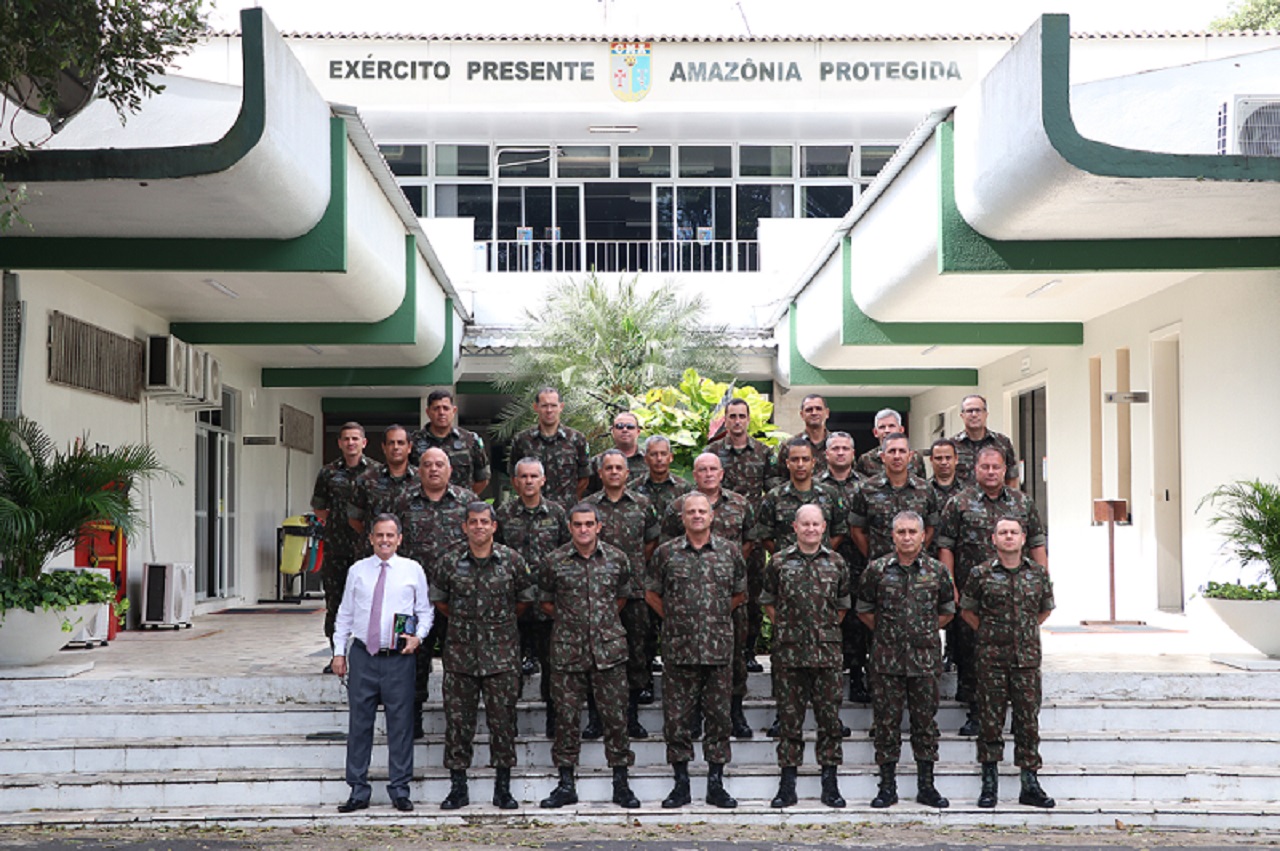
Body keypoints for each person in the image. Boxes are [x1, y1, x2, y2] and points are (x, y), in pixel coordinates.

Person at [937, 445, 1048, 737]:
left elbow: (1037, 542)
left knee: (1017, 657)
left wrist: (1042, 581)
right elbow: (946, 546)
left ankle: (1016, 712)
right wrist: (950, 585)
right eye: (985, 467)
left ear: (1004, 470)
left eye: (995, 467)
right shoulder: (959, 503)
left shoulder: (1022, 503)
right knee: (973, 652)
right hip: (974, 593)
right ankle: (976, 711)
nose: (990, 472)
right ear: (975, 469)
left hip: (1016, 592)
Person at [431, 502, 536, 810]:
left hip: (501, 657)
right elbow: (441, 602)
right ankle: (458, 788)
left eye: (484, 522)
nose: (479, 526)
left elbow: (523, 601)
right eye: (473, 522)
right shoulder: (449, 562)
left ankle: (503, 788)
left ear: (494, 526)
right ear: (464, 527)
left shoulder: (512, 561)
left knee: (503, 724)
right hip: (461, 656)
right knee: (458, 725)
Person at [646, 492, 747, 809]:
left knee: (719, 718)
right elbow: (652, 593)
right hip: (680, 648)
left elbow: (739, 594)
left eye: (703, 511)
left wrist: (714, 618)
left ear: (712, 515)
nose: (697, 516)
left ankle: (716, 784)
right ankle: (681, 784)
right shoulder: (666, 553)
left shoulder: (730, 552)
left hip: (718, 649)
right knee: (676, 720)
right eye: (691, 511)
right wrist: (676, 619)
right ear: (683, 517)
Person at [537, 503, 640, 810]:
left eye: (589, 524)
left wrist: (600, 624)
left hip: (608, 651)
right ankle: (566, 783)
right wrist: (574, 623)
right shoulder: (554, 562)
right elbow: (545, 601)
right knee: (566, 719)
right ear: (570, 527)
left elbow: (621, 597)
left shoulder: (617, 559)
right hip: (568, 651)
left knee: (616, 718)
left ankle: (621, 783)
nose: (584, 529)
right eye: (578, 524)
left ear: (599, 526)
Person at [331, 514, 432, 813]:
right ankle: (358, 790)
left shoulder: (412, 570)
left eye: (390, 535)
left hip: (398, 658)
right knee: (359, 725)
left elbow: (425, 611)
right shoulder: (357, 570)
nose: (384, 540)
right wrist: (339, 652)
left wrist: (418, 637)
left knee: (400, 725)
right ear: (371, 538)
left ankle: (400, 789)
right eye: (379, 535)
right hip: (364, 655)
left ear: (399, 539)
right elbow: (345, 613)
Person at [856, 510, 955, 810]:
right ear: (893, 536)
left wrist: (923, 631)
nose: (907, 537)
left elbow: (947, 609)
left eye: (913, 532)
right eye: (901, 532)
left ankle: (927, 786)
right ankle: (887, 787)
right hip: (887, 660)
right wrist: (889, 633)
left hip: (925, 660)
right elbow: (864, 609)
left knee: (925, 724)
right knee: (886, 724)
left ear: (923, 536)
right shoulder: (877, 570)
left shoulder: (937, 571)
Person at [756, 436, 849, 738]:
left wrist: (820, 553)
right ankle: (783, 720)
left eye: (805, 459)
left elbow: (840, 530)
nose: (799, 464)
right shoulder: (774, 497)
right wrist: (789, 557)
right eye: (794, 459)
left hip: (823, 587)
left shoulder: (829, 495)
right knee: (787, 684)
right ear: (787, 463)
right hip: (789, 586)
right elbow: (765, 535)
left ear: (814, 462)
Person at [960, 517, 1056, 809]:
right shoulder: (980, 574)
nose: (1009, 537)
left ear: (1024, 538)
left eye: (1014, 532)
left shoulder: (1037, 574)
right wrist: (991, 634)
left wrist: (1022, 633)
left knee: (1027, 722)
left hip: (1026, 661)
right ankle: (989, 784)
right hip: (992, 660)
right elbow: (968, 611)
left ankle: (1030, 784)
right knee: (990, 723)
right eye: (1003, 532)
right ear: (994, 539)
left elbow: (1044, 610)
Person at [662, 452, 758, 740]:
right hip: (688, 596)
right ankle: (692, 716)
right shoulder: (678, 506)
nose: (708, 474)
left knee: (733, 657)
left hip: (727, 594)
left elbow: (750, 541)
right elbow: (667, 546)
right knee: (689, 664)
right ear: (694, 474)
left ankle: (735, 711)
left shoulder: (740, 504)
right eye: (702, 469)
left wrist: (724, 572)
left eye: (712, 469)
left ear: (721, 473)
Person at [761, 504, 850, 809]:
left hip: (827, 654)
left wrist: (822, 630)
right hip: (789, 653)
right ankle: (787, 784)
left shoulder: (836, 563)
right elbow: (769, 601)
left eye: (816, 524)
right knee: (789, 721)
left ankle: (830, 782)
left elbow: (842, 606)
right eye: (805, 524)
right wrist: (788, 628)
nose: (811, 529)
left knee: (830, 721)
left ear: (824, 528)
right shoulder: (779, 562)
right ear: (795, 527)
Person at [583, 449, 658, 740]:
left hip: (635, 591)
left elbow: (650, 542)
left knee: (636, 653)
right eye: (609, 468)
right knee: (595, 655)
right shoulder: (588, 506)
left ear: (628, 473)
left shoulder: (643, 504)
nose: (614, 472)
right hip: (596, 593)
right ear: (600, 473)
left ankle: (631, 716)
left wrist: (632, 568)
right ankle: (596, 718)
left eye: (619, 468)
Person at [397, 447, 472, 737]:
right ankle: (411, 721)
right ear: (419, 470)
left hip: (456, 600)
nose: (433, 469)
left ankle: (458, 725)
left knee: (458, 663)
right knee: (409, 660)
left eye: (440, 464)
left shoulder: (467, 501)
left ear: (449, 470)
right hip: (411, 600)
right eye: (427, 464)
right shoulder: (403, 501)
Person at [496, 457, 571, 737]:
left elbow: (566, 554)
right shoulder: (503, 514)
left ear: (543, 480)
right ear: (515, 482)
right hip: (513, 604)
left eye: (533, 476)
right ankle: (508, 723)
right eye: (523, 476)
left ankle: (554, 720)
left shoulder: (557, 513)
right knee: (509, 668)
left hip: (547, 603)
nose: (528, 481)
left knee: (553, 666)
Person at [706, 397, 772, 673]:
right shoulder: (713, 452)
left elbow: (772, 491)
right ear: (726, 419)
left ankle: (748, 651)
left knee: (751, 597)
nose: (737, 421)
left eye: (741, 416)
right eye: (732, 416)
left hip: (751, 538)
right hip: (718, 535)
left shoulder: (763, 452)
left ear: (748, 419)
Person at [311, 421, 380, 673]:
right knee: (336, 603)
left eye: (355, 438)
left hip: (368, 549)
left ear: (364, 442)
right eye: (346, 439)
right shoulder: (328, 473)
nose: (351, 443)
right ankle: (337, 656)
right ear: (340, 443)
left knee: (372, 602)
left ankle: (372, 657)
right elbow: (319, 507)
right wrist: (338, 524)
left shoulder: (376, 472)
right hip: (337, 549)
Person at [819, 431, 871, 704]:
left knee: (858, 623)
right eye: (835, 448)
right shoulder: (815, 487)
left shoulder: (868, 486)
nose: (840, 452)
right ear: (826, 454)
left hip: (859, 564)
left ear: (854, 454)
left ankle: (857, 675)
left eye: (845, 448)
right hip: (822, 569)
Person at [848, 433, 939, 564]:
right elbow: (856, 530)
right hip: (880, 569)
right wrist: (873, 558)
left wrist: (914, 552)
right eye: (892, 451)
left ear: (910, 456)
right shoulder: (866, 489)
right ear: (883, 457)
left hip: (916, 568)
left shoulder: (925, 489)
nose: (897, 456)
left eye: (902, 451)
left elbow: (931, 528)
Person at [508, 387, 590, 509]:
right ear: (536, 407)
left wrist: (569, 499)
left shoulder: (576, 439)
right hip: (532, 512)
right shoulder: (522, 440)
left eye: (553, 405)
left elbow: (584, 478)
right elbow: (514, 476)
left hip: (566, 511)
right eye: (544, 406)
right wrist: (529, 499)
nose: (549, 410)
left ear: (561, 407)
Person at [408, 388, 490, 494]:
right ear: (428, 412)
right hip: (423, 502)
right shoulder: (413, 442)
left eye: (446, 408)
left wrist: (465, 498)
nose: (441, 412)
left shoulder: (470, 440)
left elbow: (482, 478)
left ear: (454, 411)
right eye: (436, 408)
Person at [347, 425, 419, 538]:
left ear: (409, 447)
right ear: (384, 447)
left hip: (412, 547)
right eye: (391, 443)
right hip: (377, 547)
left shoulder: (423, 480)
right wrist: (375, 538)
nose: (396, 447)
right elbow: (354, 519)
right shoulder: (366, 479)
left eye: (400, 443)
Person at [952, 394, 1019, 487]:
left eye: (978, 410)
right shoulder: (952, 445)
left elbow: (1012, 477)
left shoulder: (1002, 443)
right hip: (961, 496)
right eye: (969, 411)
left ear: (986, 414)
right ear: (962, 415)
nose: (974, 415)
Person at [767, 393, 831, 491]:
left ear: (827, 413)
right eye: (809, 410)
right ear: (802, 414)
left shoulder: (838, 445)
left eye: (818, 409)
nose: (814, 413)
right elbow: (776, 478)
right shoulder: (789, 445)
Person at [855, 408, 928, 481]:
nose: (887, 430)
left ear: (901, 430)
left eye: (891, 426)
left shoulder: (915, 458)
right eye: (882, 427)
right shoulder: (866, 459)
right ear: (875, 432)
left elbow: (922, 485)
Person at [585, 410, 647, 494]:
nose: (625, 430)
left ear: (638, 432)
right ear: (612, 431)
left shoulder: (650, 461)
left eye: (630, 427)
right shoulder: (597, 462)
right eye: (619, 426)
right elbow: (585, 493)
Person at [928, 438, 964, 512]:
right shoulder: (923, 490)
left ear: (956, 459)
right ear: (931, 460)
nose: (944, 462)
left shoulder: (967, 490)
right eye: (938, 458)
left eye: (948, 458)